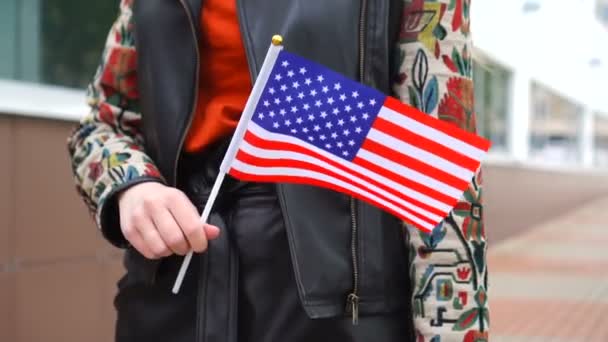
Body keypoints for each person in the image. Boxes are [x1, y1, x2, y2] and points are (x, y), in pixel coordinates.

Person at [67, 0, 489, 341]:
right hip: (173, 288)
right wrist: (131, 187)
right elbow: (103, 123)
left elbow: (441, 177)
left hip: (337, 310)